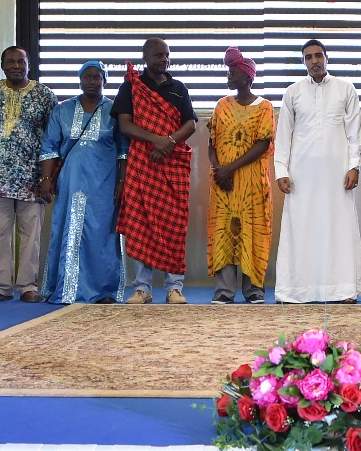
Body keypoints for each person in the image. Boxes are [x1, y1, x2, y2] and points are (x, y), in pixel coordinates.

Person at [273, 40, 361, 304]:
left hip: (337, 174)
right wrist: (281, 170)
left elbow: (354, 133)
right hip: (301, 175)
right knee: (301, 228)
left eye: (318, 56)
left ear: (327, 58)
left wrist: (353, 166)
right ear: (303, 61)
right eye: (308, 57)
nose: (314, 61)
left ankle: (343, 289)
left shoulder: (346, 89)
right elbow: (283, 135)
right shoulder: (293, 92)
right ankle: (295, 290)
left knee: (338, 227)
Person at [36, 61, 129, 304]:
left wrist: (122, 182)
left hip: (105, 183)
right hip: (71, 180)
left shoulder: (115, 110)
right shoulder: (63, 110)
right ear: (79, 80)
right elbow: (49, 147)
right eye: (87, 77)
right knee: (69, 228)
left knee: (102, 234)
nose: (91, 81)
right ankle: (66, 288)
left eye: (97, 77)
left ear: (104, 81)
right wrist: (46, 179)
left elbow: (124, 150)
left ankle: (104, 290)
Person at [114, 38, 198, 304]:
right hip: (143, 163)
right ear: (146, 57)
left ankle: (174, 288)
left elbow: (190, 124)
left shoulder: (178, 88)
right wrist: (156, 140)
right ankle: (142, 288)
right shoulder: (131, 87)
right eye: (158, 55)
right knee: (142, 224)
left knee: (174, 226)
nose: (164, 59)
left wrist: (168, 143)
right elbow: (125, 125)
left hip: (173, 165)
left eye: (167, 55)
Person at [0, 47, 57, 304]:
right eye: (10, 62)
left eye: (21, 61)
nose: (16, 66)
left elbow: (53, 137)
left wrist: (48, 177)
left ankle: (27, 286)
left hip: (32, 176)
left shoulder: (44, 95)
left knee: (31, 233)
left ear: (28, 64)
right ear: (2, 65)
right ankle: (0, 286)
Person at [206, 47, 274, 304]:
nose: (229, 77)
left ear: (247, 77)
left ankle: (253, 290)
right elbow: (212, 143)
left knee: (252, 231)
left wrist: (230, 168)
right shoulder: (221, 105)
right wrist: (218, 170)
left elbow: (263, 144)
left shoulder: (264, 107)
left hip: (252, 184)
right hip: (223, 184)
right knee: (223, 232)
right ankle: (224, 291)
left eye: (233, 73)